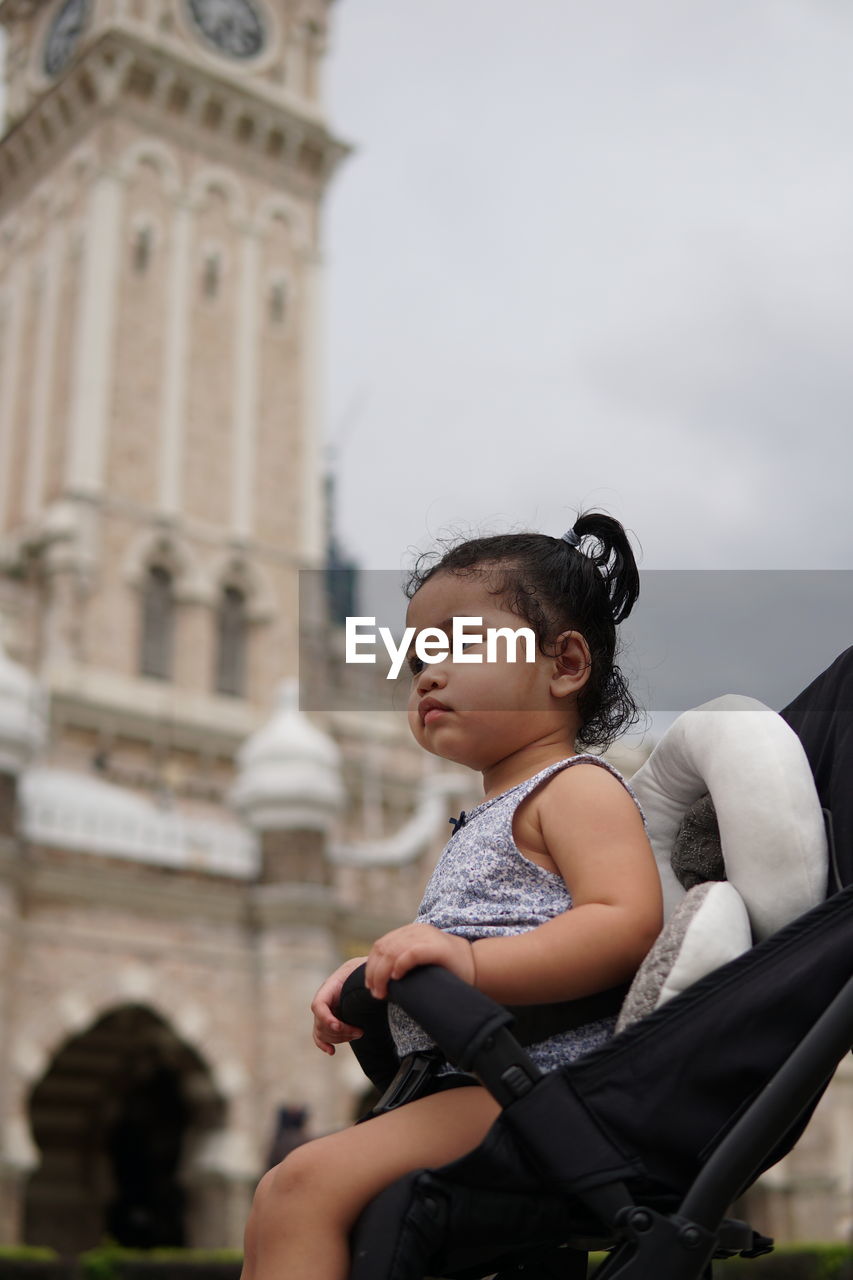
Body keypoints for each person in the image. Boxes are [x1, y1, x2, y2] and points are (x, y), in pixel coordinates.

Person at [239, 512, 663, 1280]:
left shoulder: (575, 789)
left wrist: (462, 964)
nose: (428, 674)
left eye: (460, 646)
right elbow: (484, 929)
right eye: (416, 660)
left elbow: (625, 923)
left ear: (564, 665)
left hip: (540, 1093)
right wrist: (378, 971)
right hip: (481, 1083)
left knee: (298, 1186)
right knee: (284, 1195)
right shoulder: (490, 814)